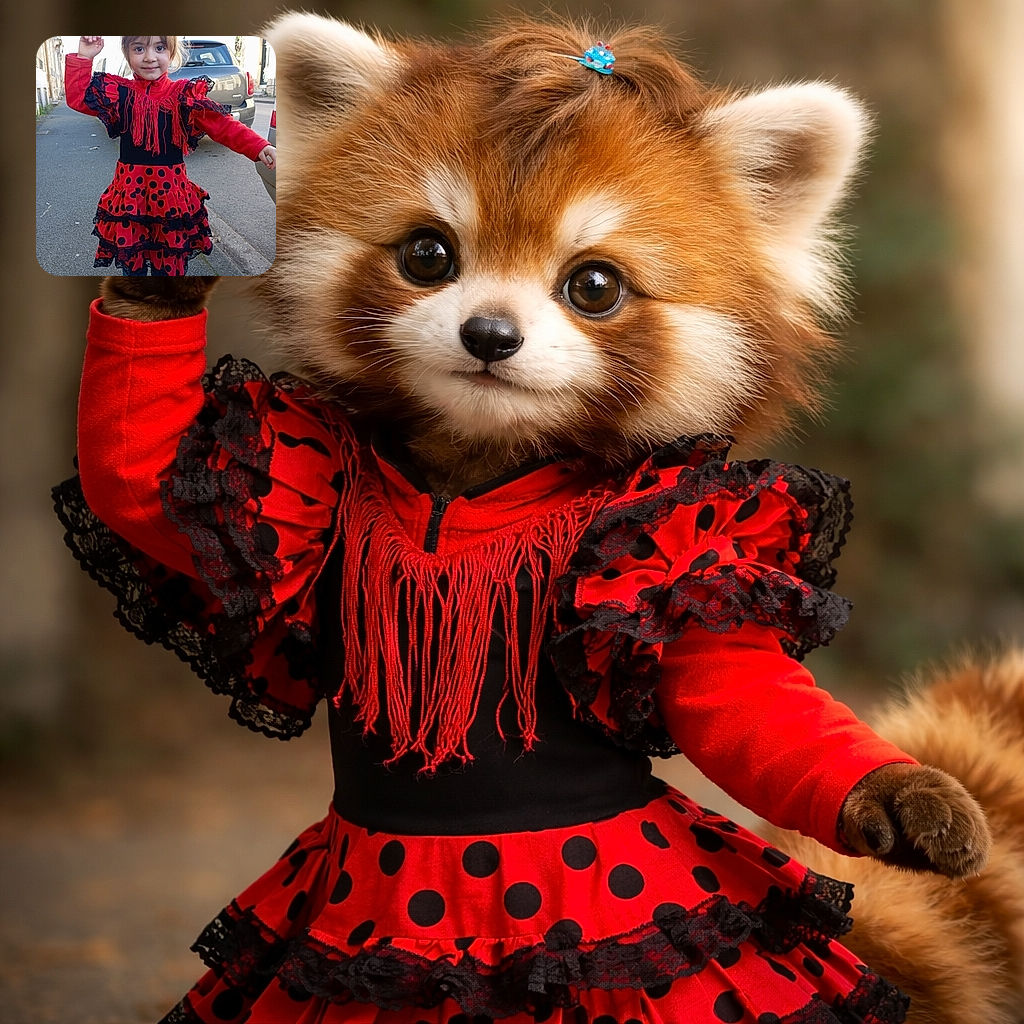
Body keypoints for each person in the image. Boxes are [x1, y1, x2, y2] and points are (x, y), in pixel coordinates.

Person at [64, 36, 275, 275]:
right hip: (131, 201)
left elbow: (223, 125)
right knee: (133, 266)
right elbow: (78, 98)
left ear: (172, 53)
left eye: (160, 48)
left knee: (169, 268)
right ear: (127, 53)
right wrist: (84, 57)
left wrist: (258, 146)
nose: (150, 57)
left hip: (170, 200)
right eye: (139, 48)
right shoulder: (118, 94)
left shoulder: (183, 95)